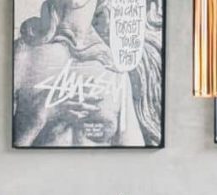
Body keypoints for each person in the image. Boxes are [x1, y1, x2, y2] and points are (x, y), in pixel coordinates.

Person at [13, 0, 163, 147]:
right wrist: (39, 117)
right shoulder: (23, 55)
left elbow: (133, 151)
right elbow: (6, 150)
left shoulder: (114, 68)